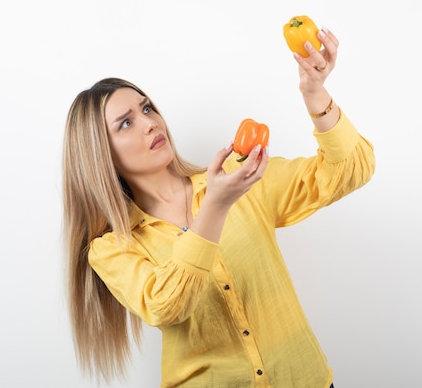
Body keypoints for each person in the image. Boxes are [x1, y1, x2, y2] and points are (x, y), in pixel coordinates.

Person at [62, 27, 375, 388]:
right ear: (101, 155)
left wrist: (314, 92)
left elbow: (352, 169)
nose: (150, 123)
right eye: (126, 123)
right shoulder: (111, 247)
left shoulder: (238, 178)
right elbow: (167, 305)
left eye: (147, 108)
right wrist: (216, 206)